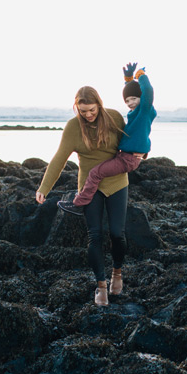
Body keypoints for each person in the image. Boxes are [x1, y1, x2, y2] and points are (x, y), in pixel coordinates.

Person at [35, 86, 129, 306]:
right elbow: (60, 158)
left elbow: (131, 144)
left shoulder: (114, 118)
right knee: (94, 236)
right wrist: (44, 188)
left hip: (117, 182)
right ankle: (101, 287)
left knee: (117, 233)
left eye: (91, 110)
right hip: (89, 187)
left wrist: (143, 151)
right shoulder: (73, 127)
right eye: (82, 110)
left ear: (99, 104)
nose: (88, 115)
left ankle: (117, 273)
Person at [57, 62, 156, 216]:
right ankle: (84, 201)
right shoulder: (136, 111)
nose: (130, 103)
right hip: (125, 155)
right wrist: (129, 79)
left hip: (127, 159)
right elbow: (134, 93)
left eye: (133, 99)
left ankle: (79, 204)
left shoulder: (144, 110)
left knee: (95, 173)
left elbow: (147, 91)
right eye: (127, 101)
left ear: (142, 98)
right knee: (97, 172)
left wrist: (141, 76)